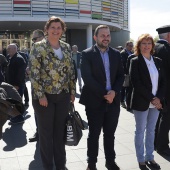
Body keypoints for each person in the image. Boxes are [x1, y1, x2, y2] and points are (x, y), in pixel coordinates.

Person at [29, 16, 76, 170]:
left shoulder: (66, 47)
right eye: (53, 27)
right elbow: (34, 73)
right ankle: (48, 166)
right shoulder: (38, 47)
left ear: (62, 30)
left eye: (59, 28)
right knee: (46, 134)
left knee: (59, 133)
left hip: (62, 97)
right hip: (44, 98)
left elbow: (71, 71)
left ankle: (61, 165)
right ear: (47, 30)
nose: (56, 30)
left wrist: (72, 91)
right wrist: (40, 94)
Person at [80, 25, 124, 170]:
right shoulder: (87, 54)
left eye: (108, 35)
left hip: (113, 101)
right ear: (95, 37)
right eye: (102, 35)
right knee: (94, 134)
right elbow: (87, 78)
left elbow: (120, 76)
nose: (106, 38)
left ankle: (110, 161)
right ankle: (91, 163)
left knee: (110, 134)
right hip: (94, 101)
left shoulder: (116, 54)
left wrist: (114, 92)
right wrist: (105, 94)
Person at [129, 34, 166, 170]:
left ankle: (150, 157)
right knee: (140, 131)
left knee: (151, 131)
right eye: (143, 43)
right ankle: (141, 159)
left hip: (156, 103)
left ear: (152, 46)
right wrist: (153, 98)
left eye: (149, 43)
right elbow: (136, 84)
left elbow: (163, 82)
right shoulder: (135, 61)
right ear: (139, 46)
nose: (146, 46)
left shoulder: (158, 61)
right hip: (142, 101)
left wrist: (159, 98)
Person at [154, 25, 170, 156]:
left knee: (157, 117)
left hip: (154, 90)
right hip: (166, 90)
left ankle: (155, 143)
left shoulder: (152, 47)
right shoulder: (167, 49)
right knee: (166, 118)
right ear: (169, 36)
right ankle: (163, 146)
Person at [28, 29, 44, 143]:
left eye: (35, 38)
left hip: (46, 90)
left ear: (42, 37)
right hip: (35, 89)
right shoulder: (33, 49)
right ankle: (39, 133)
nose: (33, 41)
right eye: (32, 39)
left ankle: (44, 135)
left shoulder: (48, 50)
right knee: (36, 112)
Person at [6, 43, 26, 124]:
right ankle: (14, 116)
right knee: (13, 101)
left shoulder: (19, 59)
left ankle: (19, 117)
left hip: (16, 85)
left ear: (14, 49)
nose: (8, 51)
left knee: (16, 101)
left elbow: (20, 74)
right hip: (12, 85)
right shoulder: (11, 57)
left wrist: (16, 85)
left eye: (9, 49)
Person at [120, 41, 133, 109]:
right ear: (126, 45)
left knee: (129, 89)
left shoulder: (132, 53)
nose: (131, 47)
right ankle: (122, 101)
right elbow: (122, 64)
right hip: (125, 74)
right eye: (130, 46)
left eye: (132, 46)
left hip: (131, 74)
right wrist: (125, 73)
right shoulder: (123, 53)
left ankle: (128, 103)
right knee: (123, 88)